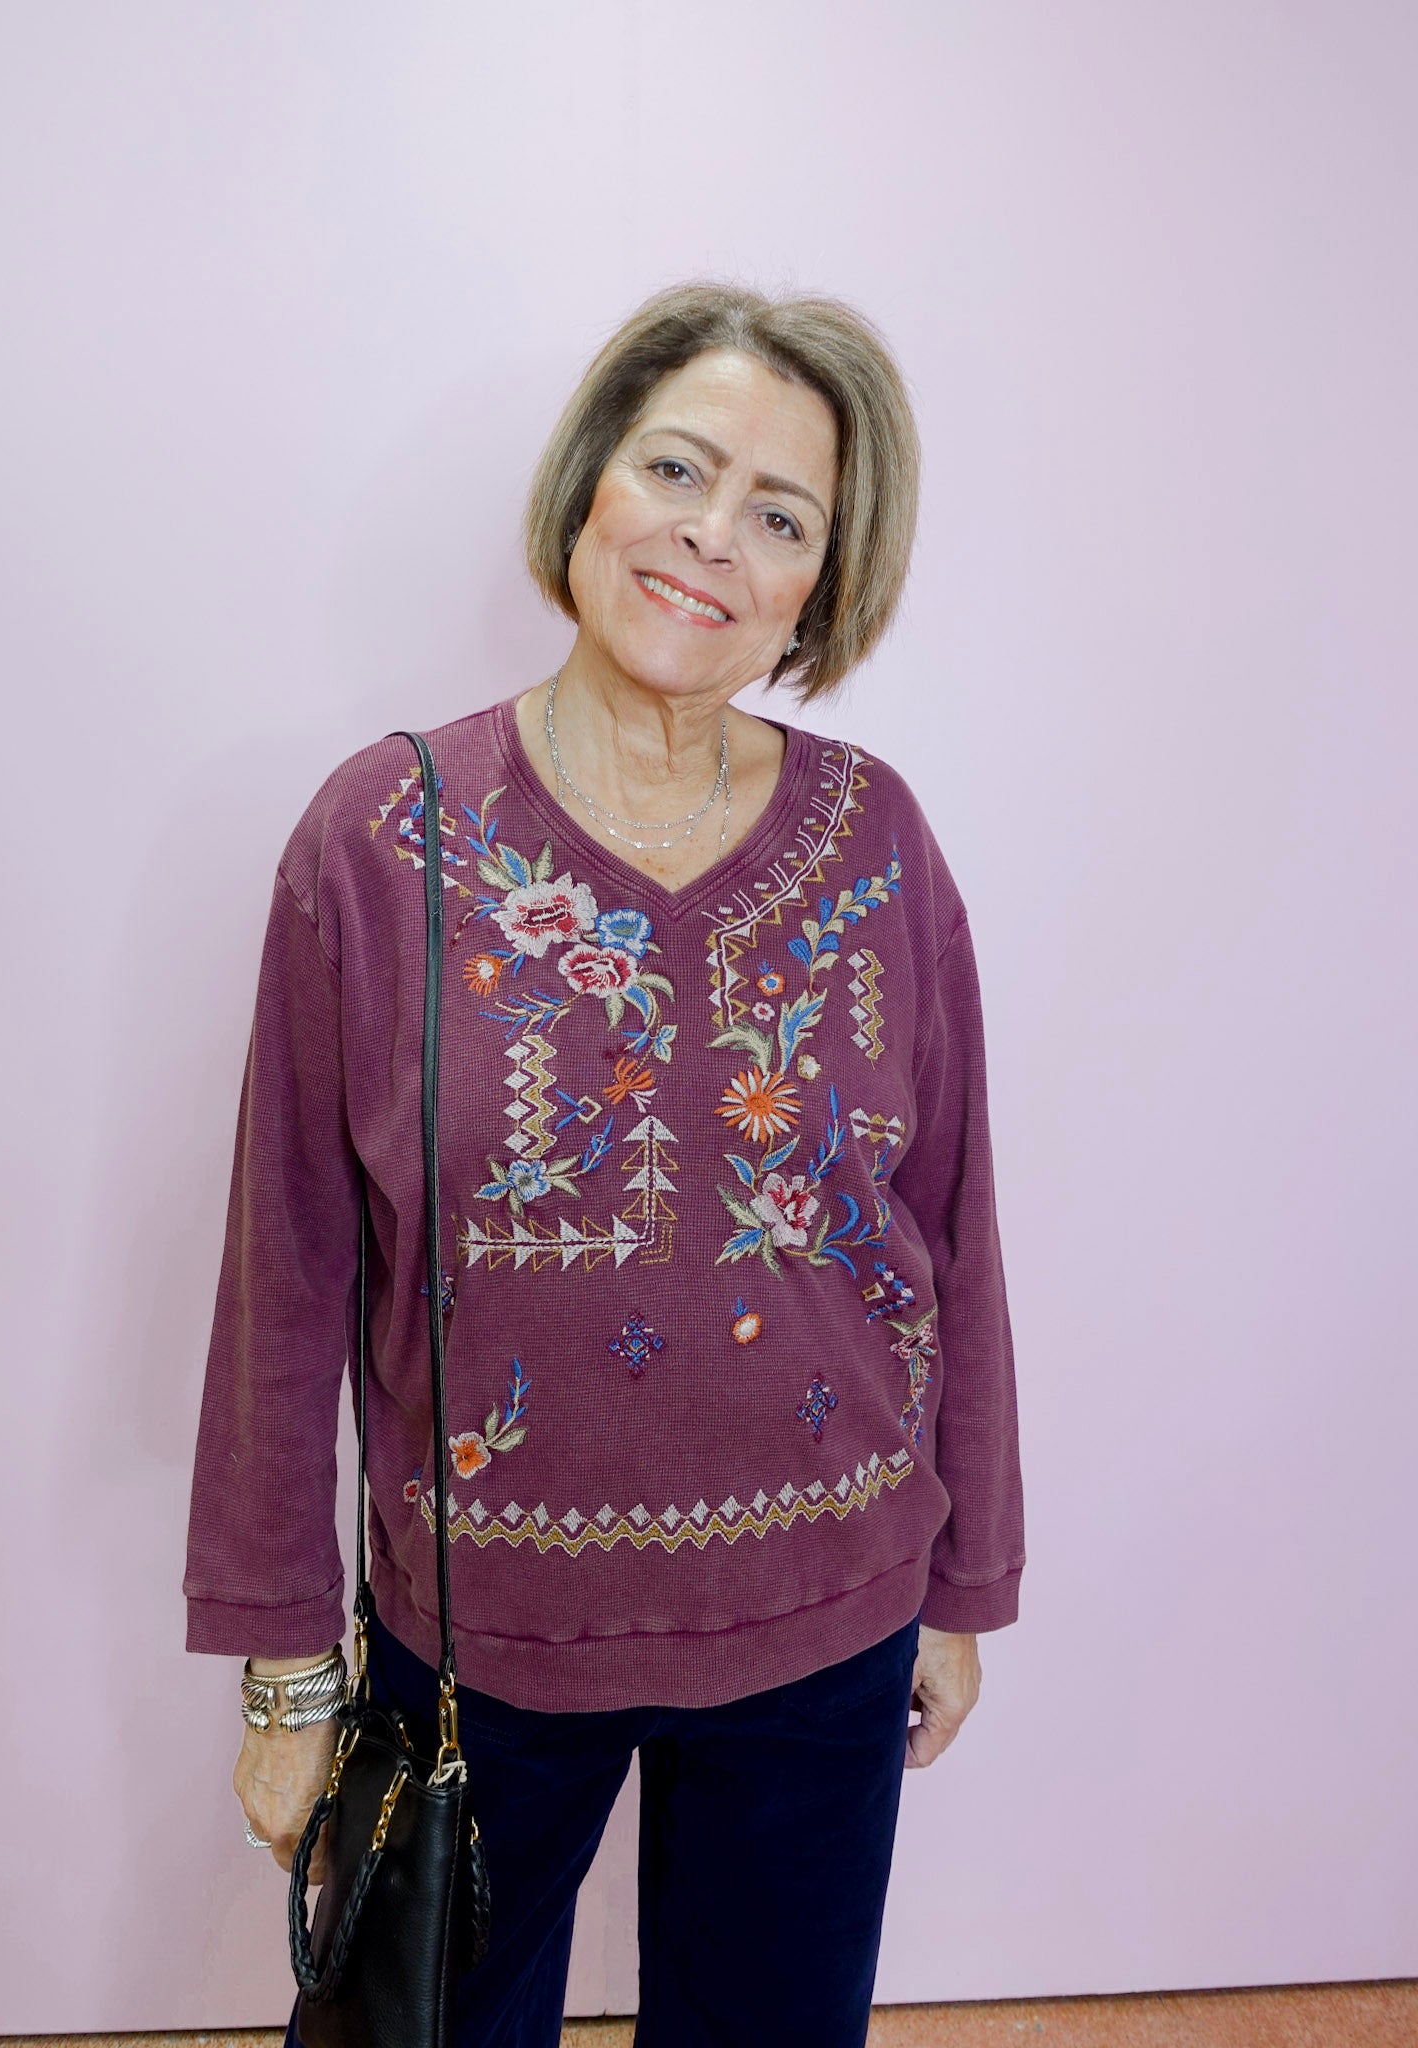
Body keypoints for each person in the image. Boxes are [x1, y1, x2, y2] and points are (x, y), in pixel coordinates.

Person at [185, 279, 1025, 2048]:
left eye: (781, 516)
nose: (713, 538)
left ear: (821, 583)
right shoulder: (381, 836)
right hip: (477, 1649)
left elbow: (949, 1227)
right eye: (680, 467)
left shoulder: (878, 838)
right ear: (592, 483)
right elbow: (286, 1266)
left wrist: (963, 1582)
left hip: (824, 1623)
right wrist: (284, 1669)